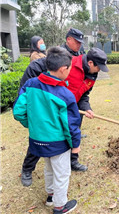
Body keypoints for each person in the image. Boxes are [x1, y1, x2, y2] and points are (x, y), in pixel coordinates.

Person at [19, 48, 109, 186]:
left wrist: (87, 108)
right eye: (99, 67)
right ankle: (27, 169)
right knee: (41, 137)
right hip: (52, 108)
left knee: (73, 135)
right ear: (90, 63)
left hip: (72, 109)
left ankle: (72, 161)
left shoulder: (92, 75)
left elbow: (84, 95)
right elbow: (38, 66)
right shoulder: (69, 62)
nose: (99, 71)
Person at [13, 47, 80, 213]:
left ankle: (51, 196)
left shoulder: (30, 84)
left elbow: (18, 111)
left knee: (49, 168)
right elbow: (71, 126)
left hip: (37, 140)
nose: (70, 71)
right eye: (70, 68)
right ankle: (60, 206)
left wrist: (33, 125)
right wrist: (76, 145)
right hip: (58, 143)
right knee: (62, 173)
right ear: (63, 69)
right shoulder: (65, 95)